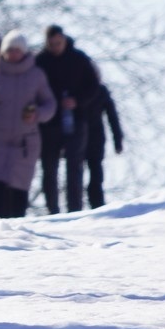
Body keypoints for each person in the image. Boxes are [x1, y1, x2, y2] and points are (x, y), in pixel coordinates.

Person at [0, 31, 57, 219]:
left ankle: (16, 235)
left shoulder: (36, 76)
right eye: (10, 50)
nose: (13, 54)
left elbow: (50, 104)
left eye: (17, 50)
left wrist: (37, 113)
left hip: (24, 144)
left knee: (17, 193)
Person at [35, 24, 102, 214]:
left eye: (58, 43)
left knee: (75, 166)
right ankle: (52, 211)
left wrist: (78, 101)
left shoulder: (79, 59)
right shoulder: (40, 61)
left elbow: (94, 87)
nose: (56, 47)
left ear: (64, 40)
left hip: (77, 120)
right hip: (49, 123)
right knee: (49, 167)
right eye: (52, 43)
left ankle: (75, 210)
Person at [83, 85, 124, 210]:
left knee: (96, 172)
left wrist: (117, 140)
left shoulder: (100, 90)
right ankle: (76, 206)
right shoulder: (75, 88)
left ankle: (97, 204)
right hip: (76, 136)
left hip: (96, 137)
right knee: (78, 172)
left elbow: (112, 116)